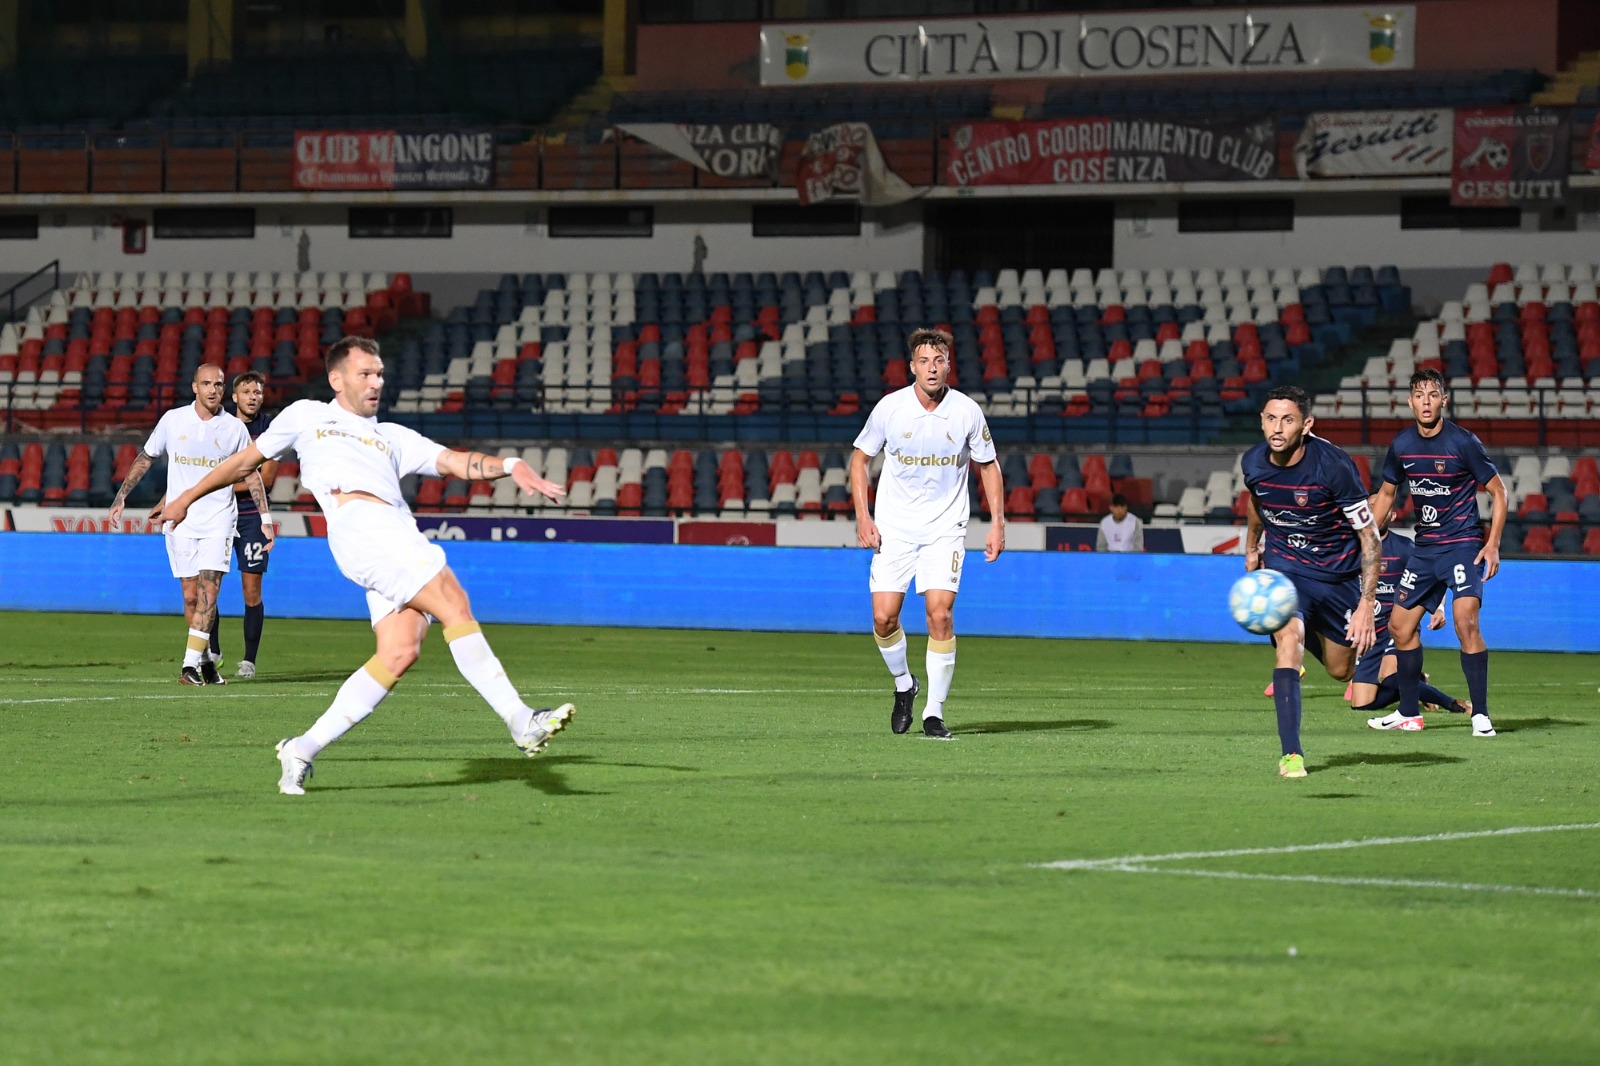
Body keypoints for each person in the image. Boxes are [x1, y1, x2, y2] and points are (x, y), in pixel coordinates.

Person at [159, 336, 575, 795]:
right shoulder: (307, 415)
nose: (376, 381)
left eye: (379, 374)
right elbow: (243, 462)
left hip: (394, 531)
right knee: (453, 600)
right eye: (365, 373)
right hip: (362, 526)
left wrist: (511, 463)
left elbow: (456, 461)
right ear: (337, 379)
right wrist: (184, 497)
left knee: (399, 652)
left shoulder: (392, 436)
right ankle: (520, 720)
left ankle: (300, 749)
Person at [850, 326, 1004, 741]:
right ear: (912, 366)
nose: (932, 368)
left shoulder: (967, 411)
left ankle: (934, 714)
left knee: (940, 614)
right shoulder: (890, 409)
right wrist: (864, 517)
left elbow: (988, 466)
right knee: (884, 618)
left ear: (948, 365)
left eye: (939, 361)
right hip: (896, 528)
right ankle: (905, 684)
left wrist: (997, 523)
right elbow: (860, 459)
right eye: (924, 361)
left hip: (945, 530)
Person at [1242, 384, 1381, 780]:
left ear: (1307, 425)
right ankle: (1292, 754)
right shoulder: (1253, 462)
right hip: (1287, 570)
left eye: (1288, 419)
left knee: (1340, 670)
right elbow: (1258, 501)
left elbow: (1369, 536)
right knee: (1288, 639)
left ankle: (1401, 674)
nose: (1277, 428)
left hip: (1337, 579)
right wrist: (1253, 549)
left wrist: (1366, 605)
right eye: (1270, 418)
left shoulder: (1334, 467)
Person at [1368, 368, 1506, 737]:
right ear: (1410, 400)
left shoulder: (1463, 442)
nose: (1426, 402)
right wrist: (1366, 535)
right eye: (1419, 394)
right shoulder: (1401, 445)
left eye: (1433, 395)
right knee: (1400, 627)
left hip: (1462, 546)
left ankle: (1481, 715)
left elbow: (1499, 492)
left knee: (1466, 623)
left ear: (1444, 399)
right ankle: (1409, 713)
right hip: (1425, 549)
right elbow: (1385, 494)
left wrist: (1491, 543)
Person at [109, 364, 265, 686]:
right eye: (206, 383)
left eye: (219, 384)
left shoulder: (234, 429)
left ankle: (188, 666)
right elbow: (147, 456)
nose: (213, 389)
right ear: (194, 387)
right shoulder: (173, 420)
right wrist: (121, 496)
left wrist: (266, 519)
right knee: (191, 596)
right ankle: (206, 662)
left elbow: (251, 473)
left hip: (220, 519)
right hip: (180, 520)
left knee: (211, 589)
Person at [1348, 522, 1472, 716]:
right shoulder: (1354, 547)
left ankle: (1451, 703)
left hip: (1396, 624)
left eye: (1378, 506)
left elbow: (1432, 574)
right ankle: (1415, 682)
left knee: (1389, 678)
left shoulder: (1404, 548)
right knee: (1361, 704)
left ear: (1392, 515)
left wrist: (1438, 608)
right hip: (1370, 629)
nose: (1374, 511)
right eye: (1370, 507)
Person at [207, 371, 278, 679]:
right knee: (208, 585)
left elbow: (268, 480)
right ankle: (213, 650)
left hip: (251, 517)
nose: (253, 396)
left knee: (251, 591)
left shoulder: (271, 431)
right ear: (234, 397)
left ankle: (249, 661)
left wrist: (216, 483)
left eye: (257, 392)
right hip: (217, 515)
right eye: (246, 391)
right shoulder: (218, 426)